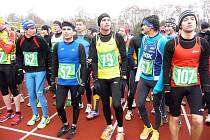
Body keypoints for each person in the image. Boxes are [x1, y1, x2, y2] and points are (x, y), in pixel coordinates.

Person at [163, 10, 210, 140]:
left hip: (194, 86)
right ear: (180, 24)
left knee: (198, 120)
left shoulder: (203, 43)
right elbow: (166, 66)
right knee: (175, 117)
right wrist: (166, 88)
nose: (189, 21)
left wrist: (206, 88)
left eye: (192, 19)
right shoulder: (171, 44)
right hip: (175, 87)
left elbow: (204, 68)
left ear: (196, 22)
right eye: (185, 19)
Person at [90, 13, 127, 140]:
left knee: (116, 104)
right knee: (105, 104)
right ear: (99, 23)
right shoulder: (95, 39)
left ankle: (121, 130)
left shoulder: (117, 37)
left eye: (108, 20)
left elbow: (125, 58)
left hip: (115, 76)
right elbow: (94, 60)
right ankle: (109, 126)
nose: (107, 22)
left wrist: (124, 76)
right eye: (104, 20)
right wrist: (95, 78)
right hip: (101, 77)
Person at [51, 21, 86, 139]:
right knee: (59, 106)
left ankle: (74, 126)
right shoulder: (57, 46)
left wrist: (83, 84)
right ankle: (65, 124)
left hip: (75, 82)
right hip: (62, 82)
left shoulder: (79, 46)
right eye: (64, 29)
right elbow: (54, 64)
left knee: (75, 104)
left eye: (68, 29)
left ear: (73, 32)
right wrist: (52, 81)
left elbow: (84, 66)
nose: (66, 31)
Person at [135, 15, 168, 140]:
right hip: (144, 77)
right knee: (139, 103)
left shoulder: (163, 41)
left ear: (152, 26)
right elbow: (141, 55)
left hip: (156, 79)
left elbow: (166, 65)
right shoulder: (144, 39)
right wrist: (140, 71)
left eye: (144, 25)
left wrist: (160, 85)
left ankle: (156, 130)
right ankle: (147, 126)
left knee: (157, 107)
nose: (142, 27)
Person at [16, 20, 51, 129]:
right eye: (30, 28)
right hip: (29, 71)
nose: (33, 30)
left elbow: (49, 52)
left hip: (40, 70)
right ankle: (35, 115)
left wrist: (49, 67)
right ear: (25, 30)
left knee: (39, 93)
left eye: (34, 28)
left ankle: (46, 116)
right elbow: (19, 55)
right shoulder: (20, 40)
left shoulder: (39, 39)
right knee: (31, 94)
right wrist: (20, 67)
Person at [0, 17, 22, 125]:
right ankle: (9, 111)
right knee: (3, 89)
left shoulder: (10, 33)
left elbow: (8, 49)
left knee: (13, 88)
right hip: (0, 65)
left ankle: (18, 112)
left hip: (9, 64)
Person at [125, 28, 144, 121]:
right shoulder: (135, 39)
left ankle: (141, 110)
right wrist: (134, 66)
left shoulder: (152, 40)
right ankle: (129, 110)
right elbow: (129, 54)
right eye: (143, 26)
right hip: (135, 69)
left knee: (144, 93)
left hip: (147, 71)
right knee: (132, 91)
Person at [75, 18, 92, 113]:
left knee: (86, 85)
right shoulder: (73, 38)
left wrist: (91, 59)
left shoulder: (89, 38)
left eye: (80, 24)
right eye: (77, 24)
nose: (78, 26)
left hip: (85, 66)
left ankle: (89, 104)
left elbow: (93, 51)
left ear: (84, 26)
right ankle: (80, 102)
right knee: (77, 84)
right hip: (75, 65)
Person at [51, 20, 63, 106]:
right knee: (56, 78)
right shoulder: (52, 36)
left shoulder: (63, 35)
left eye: (57, 25)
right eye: (54, 25)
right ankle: (59, 97)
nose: (55, 27)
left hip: (63, 59)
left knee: (66, 77)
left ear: (60, 26)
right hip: (55, 59)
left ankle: (69, 97)